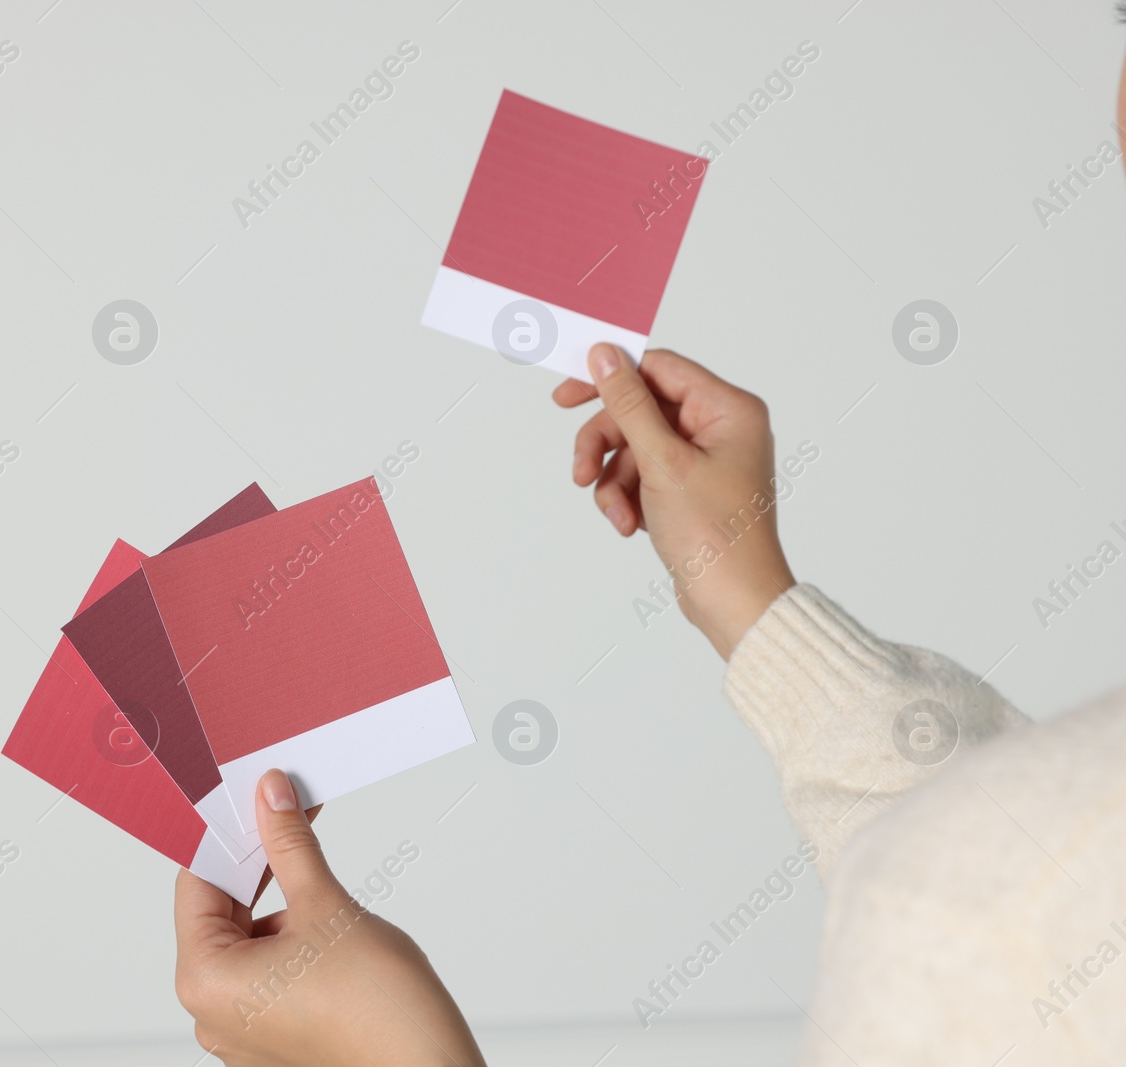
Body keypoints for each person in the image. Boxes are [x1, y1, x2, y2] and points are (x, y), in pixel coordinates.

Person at [171, 39, 1126, 1067]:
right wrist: (750, 595)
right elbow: (1007, 870)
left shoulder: (994, 926)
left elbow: (999, 903)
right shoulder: (1018, 896)